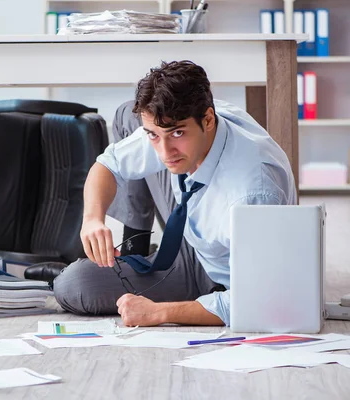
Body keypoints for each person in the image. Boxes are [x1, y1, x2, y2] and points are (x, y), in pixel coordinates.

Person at [52, 60, 296, 327]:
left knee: (73, 285)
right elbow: (108, 165)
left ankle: (168, 279)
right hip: (192, 223)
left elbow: (261, 300)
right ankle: (136, 246)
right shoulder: (173, 132)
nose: (165, 153)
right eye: (154, 136)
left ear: (209, 120)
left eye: (177, 133)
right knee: (127, 113)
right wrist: (92, 220)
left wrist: (161, 312)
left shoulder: (252, 194)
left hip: (219, 272)